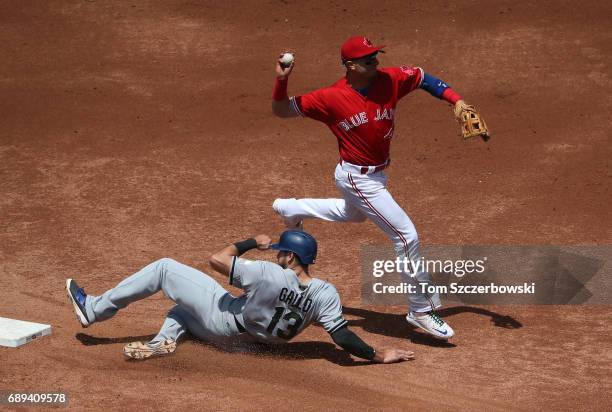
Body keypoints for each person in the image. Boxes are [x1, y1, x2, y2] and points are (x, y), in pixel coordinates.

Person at [270, 36, 482, 340]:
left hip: (376, 176)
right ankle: (420, 311)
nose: (375, 61)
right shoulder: (330, 97)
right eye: (368, 58)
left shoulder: (390, 80)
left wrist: (456, 101)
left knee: (353, 214)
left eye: (375, 55)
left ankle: (291, 208)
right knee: (406, 235)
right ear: (350, 65)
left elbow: (424, 78)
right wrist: (281, 81)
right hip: (357, 177)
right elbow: (282, 110)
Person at [66, 230, 415, 363]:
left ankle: (93, 309)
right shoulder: (325, 293)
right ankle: (162, 341)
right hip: (252, 343)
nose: (276, 254)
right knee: (184, 307)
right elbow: (342, 336)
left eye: (280, 251)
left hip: (224, 321)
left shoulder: (269, 273)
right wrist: (377, 354)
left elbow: (217, 260)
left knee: (164, 269)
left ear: (289, 258)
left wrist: (252, 242)